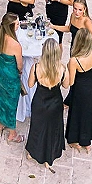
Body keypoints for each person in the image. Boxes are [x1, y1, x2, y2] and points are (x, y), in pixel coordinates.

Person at [25, 38, 69, 171]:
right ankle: (48, 159)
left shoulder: (37, 67)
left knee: (37, 128)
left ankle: (32, 153)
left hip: (39, 102)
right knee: (52, 131)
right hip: (55, 104)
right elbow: (66, 85)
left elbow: (30, 84)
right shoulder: (62, 68)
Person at [65, 28, 92, 153]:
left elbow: (71, 82)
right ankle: (87, 141)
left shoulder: (74, 60)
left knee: (77, 115)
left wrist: (67, 69)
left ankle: (74, 140)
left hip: (80, 89)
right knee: (89, 112)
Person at [0, 13, 24, 143]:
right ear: (11, 27)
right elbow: (20, 65)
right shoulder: (15, 44)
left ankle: (0, 125)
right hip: (10, 75)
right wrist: (20, 72)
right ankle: (12, 134)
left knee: (0, 98)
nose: (19, 25)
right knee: (11, 103)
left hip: (0, 69)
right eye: (17, 24)